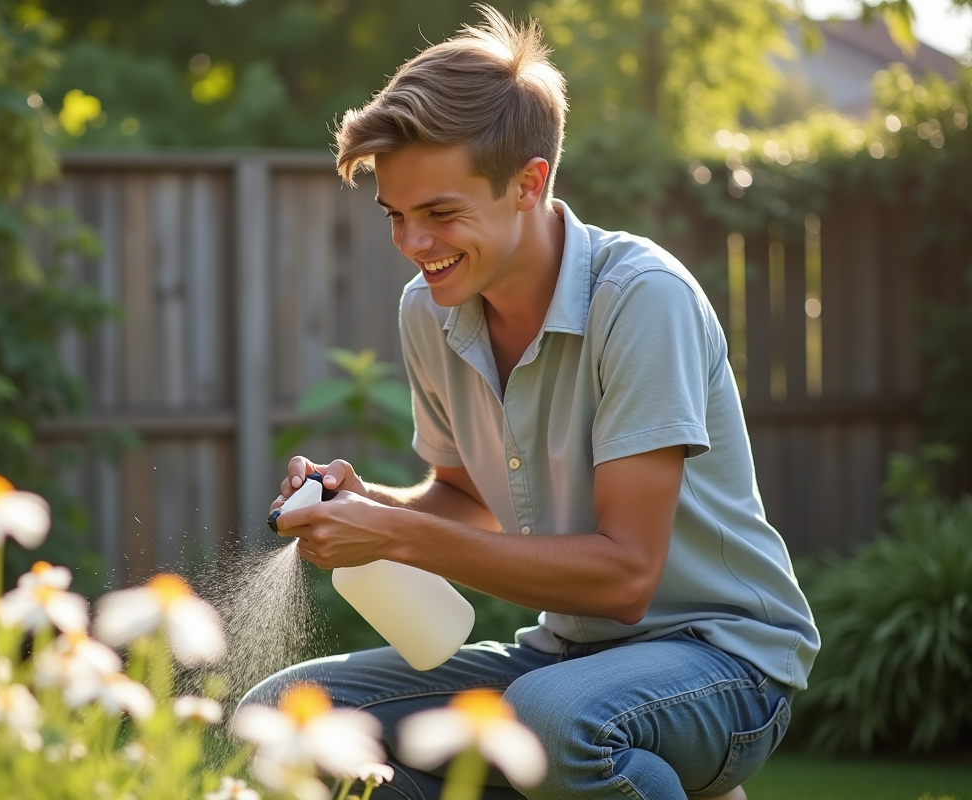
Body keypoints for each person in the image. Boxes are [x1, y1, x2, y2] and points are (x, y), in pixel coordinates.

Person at [243, 7, 819, 800]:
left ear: (529, 182)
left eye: (440, 213)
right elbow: (467, 499)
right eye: (396, 216)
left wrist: (397, 534)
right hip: (565, 659)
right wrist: (366, 507)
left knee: (553, 720)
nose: (414, 242)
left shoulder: (641, 300)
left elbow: (625, 577)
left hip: (721, 664)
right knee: (288, 715)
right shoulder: (431, 309)